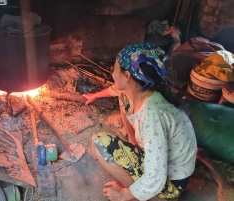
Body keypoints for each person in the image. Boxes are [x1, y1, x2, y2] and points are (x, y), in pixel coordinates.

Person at [83, 43, 197, 201]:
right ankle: (134, 143)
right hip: (165, 163)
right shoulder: (144, 86)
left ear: (127, 76)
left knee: (98, 144)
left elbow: (156, 177)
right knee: (123, 97)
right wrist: (95, 95)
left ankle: (151, 198)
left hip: (170, 182)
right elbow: (116, 89)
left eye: (115, 69)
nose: (113, 74)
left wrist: (123, 195)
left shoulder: (152, 115)